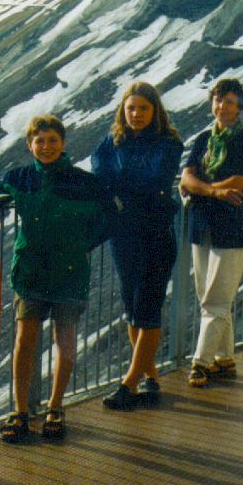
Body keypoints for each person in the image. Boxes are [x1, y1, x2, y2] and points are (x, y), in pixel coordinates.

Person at [0, 115, 113, 442]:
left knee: (63, 340)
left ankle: (55, 406)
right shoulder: (18, 178)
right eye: (40, 141)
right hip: (33, 272)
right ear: (30, 144)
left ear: (63, 143)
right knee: (25, 341)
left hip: (68, 272)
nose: (46, 147)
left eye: (52, 140)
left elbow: (108, 217)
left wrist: (82, 245)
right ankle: (21, 410)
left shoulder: (83, 182)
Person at [91, 81, 183, 409]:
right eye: (131, 108)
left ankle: (129, 384)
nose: (136, 114)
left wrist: (119, 183)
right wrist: (123, 183)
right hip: (124, 234)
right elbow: (99, 173)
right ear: (123, 110)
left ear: (155, 110)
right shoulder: (112, 141)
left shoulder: (169, 142)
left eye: (143, 108)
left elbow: (155, 180)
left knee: (148, 305)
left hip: (156, 233)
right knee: (133, 308)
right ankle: (151, 377)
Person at [179, 78, 243, 387]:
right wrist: (214, 191)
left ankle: (200, 362)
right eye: (218, 100)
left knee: (215, 299)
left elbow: (238, 183)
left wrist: (202, 188)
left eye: (229, 102)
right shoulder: (203, 139)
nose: (222, 106)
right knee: (208, 296)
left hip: (232, 229)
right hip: (204, 225)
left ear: (240, 108)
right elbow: (186, 179)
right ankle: (224, 359)